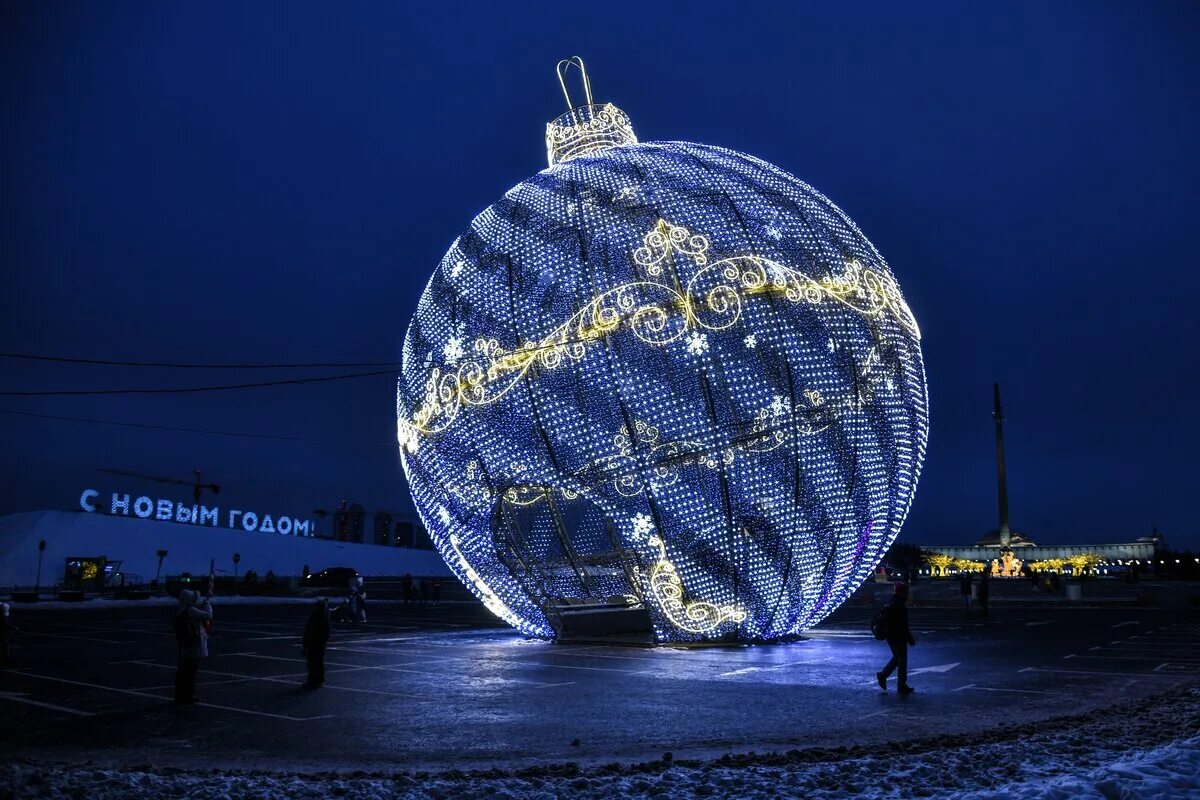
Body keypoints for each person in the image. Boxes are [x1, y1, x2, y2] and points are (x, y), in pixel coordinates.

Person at [173, 589, 212, 705]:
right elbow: (208, 615)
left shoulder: (182, 610)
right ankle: (189, 695)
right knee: (190, 673)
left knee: (184, 672)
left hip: (185, 645)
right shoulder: (191, 610)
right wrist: (207, 604)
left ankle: (180, 695)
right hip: (193, 645)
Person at [876, 583, 916, 695]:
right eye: (906, 592)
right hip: (897, 635)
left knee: (898, 658)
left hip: (891, 635)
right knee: (902, 660)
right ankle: (900, 684)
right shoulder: (899, 605)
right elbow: (903, 624)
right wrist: (909, 638)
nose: (908, 594)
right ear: (903, 592)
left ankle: (884, 676)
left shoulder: (892, 602)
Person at [301, 598, 331, 688]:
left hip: (317, 644)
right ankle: (314, 680)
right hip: (314, 643)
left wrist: (320, 642)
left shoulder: (321, 617)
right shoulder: (317, 616)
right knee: (312, 663)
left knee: (316, 663)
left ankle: (317, 681)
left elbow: (324, 632)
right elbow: (308, 630)